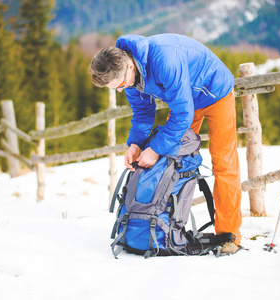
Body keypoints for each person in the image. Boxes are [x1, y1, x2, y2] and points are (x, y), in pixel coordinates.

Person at [89, 34, 242, 254]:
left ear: (130, 65)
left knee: (223, 162)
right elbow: (143, 112)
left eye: (122, 84)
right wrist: (135, 144)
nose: (122, 90)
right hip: (185, 100)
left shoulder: (164, 60)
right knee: (171, 163)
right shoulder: (128, 75)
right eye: (116, 89)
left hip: (214, 91)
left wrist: (155, 149)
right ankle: (169, 229)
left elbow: (182, 114)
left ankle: (229, 235)